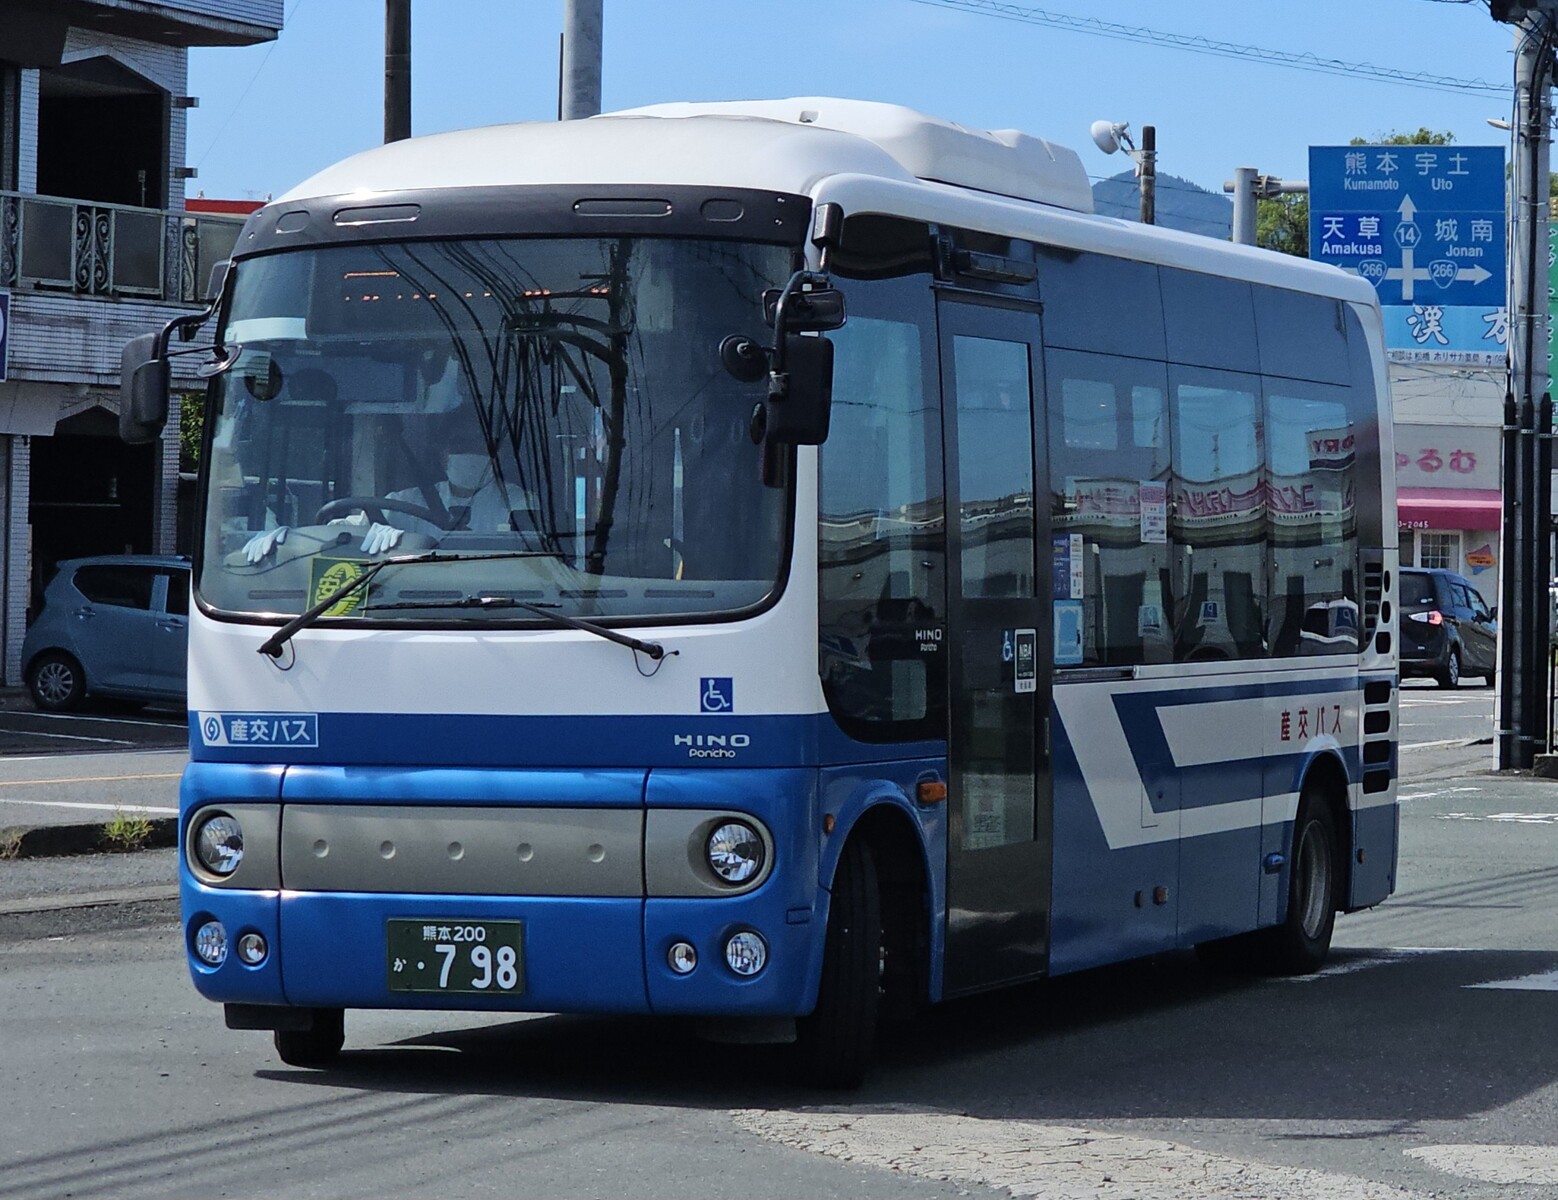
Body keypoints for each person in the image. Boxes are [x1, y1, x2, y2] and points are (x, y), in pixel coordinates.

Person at [243, 417, 537, 562]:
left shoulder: (517, 502)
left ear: (494, 456)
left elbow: (535, 555)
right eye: (459, 446)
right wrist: (288, 539)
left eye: (477, 447)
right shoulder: (404, 501)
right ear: (442, 454)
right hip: (401, 605)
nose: (468, 455)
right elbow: (344, 531)